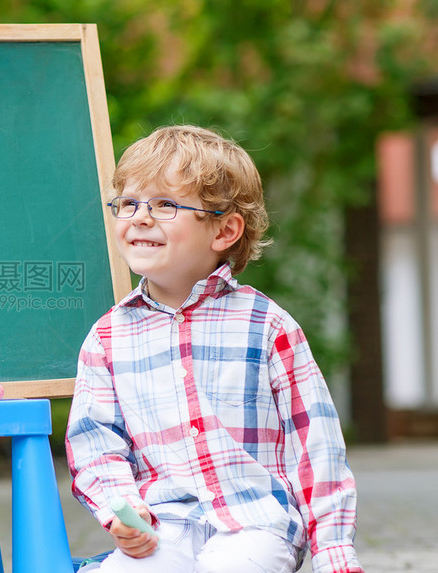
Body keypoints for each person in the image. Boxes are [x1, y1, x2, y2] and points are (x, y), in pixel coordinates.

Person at [66, 125, 362, 572]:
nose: (140, 217)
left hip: (255, 525)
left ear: (224, 230)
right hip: (161, 526)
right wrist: (120, 507)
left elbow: (315, 446)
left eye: (165, 204)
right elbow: (96, 442)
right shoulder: (107, 338)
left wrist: (333, 552)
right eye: (129, 203)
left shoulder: (267, 326)